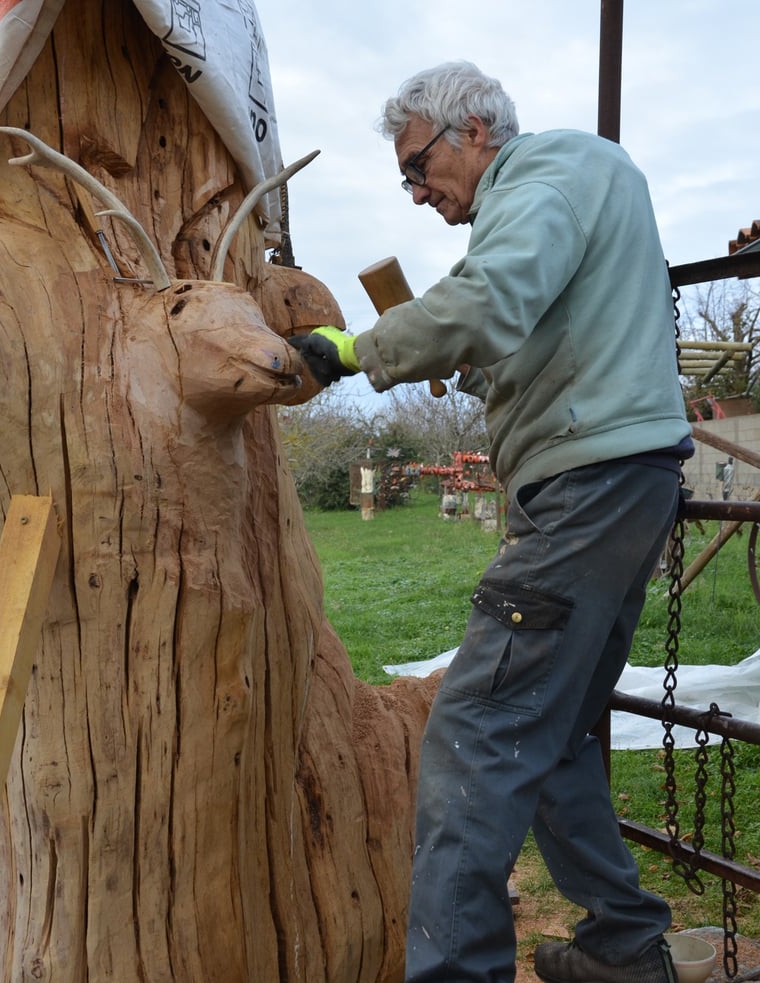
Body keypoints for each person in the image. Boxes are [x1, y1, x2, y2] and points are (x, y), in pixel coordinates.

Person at [290, 61, 693, 983]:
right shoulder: (578, 185)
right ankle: (624, 948)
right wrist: (474, 368)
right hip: (628, 483)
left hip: (586, 489)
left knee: (474, 733)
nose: (416, 191)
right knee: (550, 734)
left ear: (474, 130)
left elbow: (488, 299)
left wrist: (354, 350)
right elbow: (535, 336)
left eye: (417, 166)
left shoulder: (544, 173)